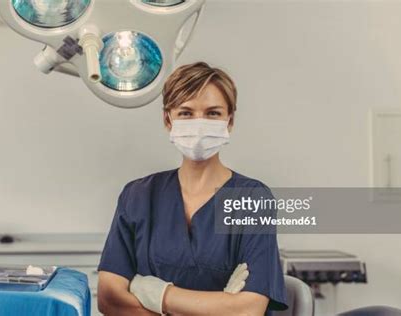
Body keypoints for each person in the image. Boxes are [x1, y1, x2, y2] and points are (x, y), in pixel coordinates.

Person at [97, 62, 288, 315]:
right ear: (168, 120)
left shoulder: (252, 199)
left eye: (212, 113)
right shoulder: (138, 196)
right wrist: (218, 306)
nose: (199, 125)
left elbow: (248, 309)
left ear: (229, 121)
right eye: (186, 113)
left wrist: (156, 294)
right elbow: (110, 299)